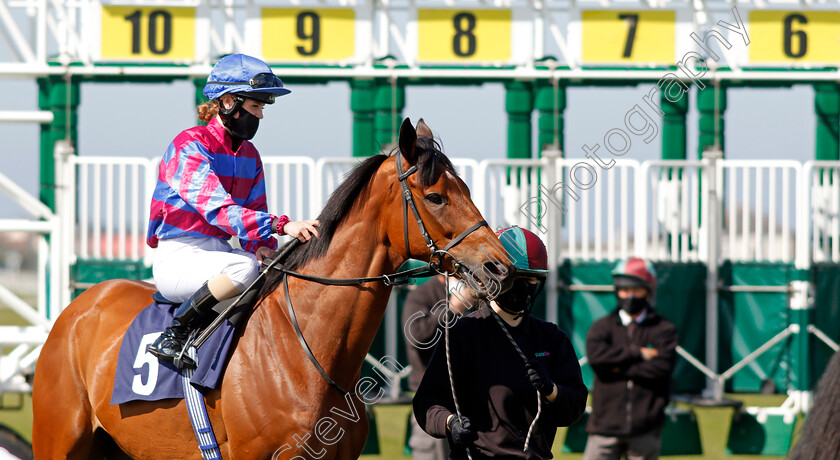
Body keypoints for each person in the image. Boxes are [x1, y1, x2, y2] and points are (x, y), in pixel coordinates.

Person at [145, 54, 319, 369]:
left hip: (220, 255)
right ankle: (176, 332)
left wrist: (264, 247)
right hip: (179, 257)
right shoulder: (189, 146)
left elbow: (253, 216)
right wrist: (283, 226)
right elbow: (222, 213)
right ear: (228, 103)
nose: (260, 117)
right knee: (243, 269)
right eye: (255, 107)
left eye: (262, 109)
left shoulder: (250, 155)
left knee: (274, 270)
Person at [413, 226, 588, 459]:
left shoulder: (552, 338)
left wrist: (551, 391)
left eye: (531, 279)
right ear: (492, 276)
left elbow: (574, 406)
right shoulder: (462, 334)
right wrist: (449, 423)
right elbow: (427, 400)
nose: (524, 287)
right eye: (515, 278)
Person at [583, 258, 678, 460]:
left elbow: (662, 368)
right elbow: (597, 359)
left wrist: (616, 368)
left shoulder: (664, 329)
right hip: (604, 427)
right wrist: (638, 353)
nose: (630, 296)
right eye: (624, 290)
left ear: (648, 291)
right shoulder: (601, 327)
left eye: (636, 290)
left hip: (646, 428)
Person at [402, 275, 457, 460]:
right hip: (431, 395)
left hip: (464, 395)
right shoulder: (422, 294)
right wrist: (451, 309)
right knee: (430, 452)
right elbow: (417, 335)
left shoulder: (470, 294)